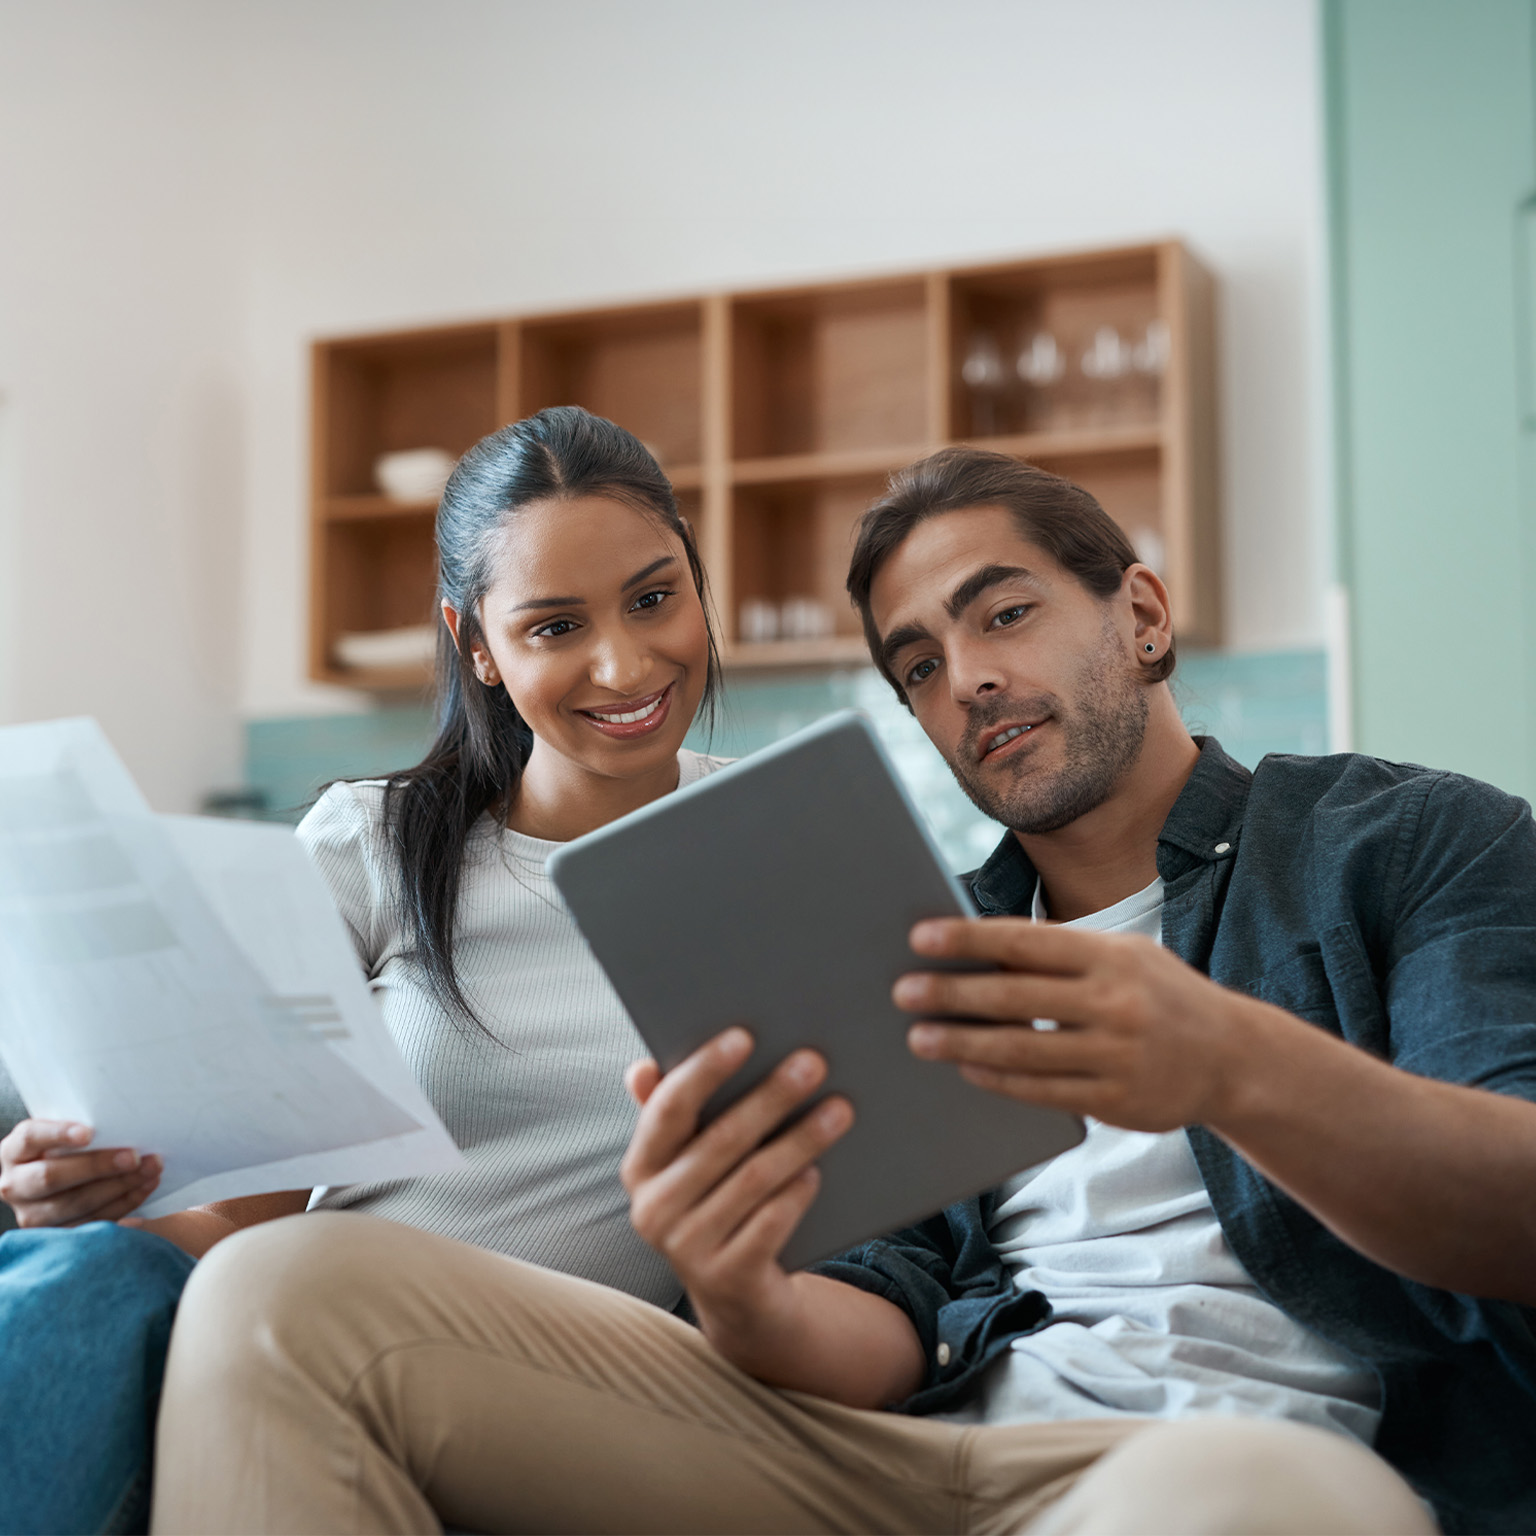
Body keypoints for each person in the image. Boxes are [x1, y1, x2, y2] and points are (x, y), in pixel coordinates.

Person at [148, 447, 1536, 1536]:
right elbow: (879, 1316)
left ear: (1145, 612)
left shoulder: (1402, 847)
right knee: (286, 1288)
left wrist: (1229, 1063)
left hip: (1206, 1475)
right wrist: (738, 1286)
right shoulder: (919, 936)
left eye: (1006, 614)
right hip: (900, 1463)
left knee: (1251, 1509)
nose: (974, 678)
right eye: (919, 665)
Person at [0, 406, 732, 1535]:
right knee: (83, 1283)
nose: (625, 663)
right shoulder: (375, 843)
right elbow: (234, 1223)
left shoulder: (778, 838)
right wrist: (96, 1204)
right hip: (289, 1330)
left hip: (561, 1395)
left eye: (652, 596)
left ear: (695, 575)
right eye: (553, 626)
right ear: (475, 643)